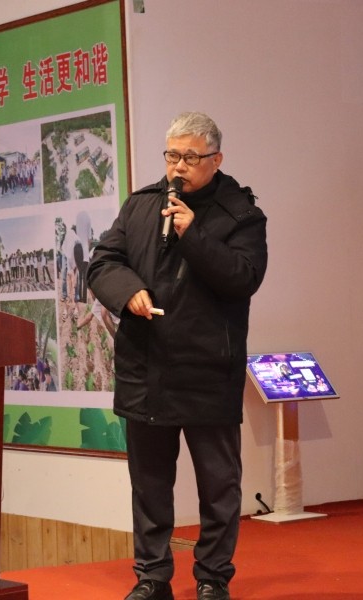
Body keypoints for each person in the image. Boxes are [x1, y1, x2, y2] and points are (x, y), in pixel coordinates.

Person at [87, 112, 268, 600]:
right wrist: (127, 291)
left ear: (216, 159)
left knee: (219, 486)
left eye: (190, 157)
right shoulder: (143, 204)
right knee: (149, 485)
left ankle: (212, 577)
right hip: (146, 366)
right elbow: (104, 261)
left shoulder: (241, 214)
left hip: (208, 369)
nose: (178, 167)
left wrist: (194, 234)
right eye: (172, 155)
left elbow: (243, 277)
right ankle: (152, 577)